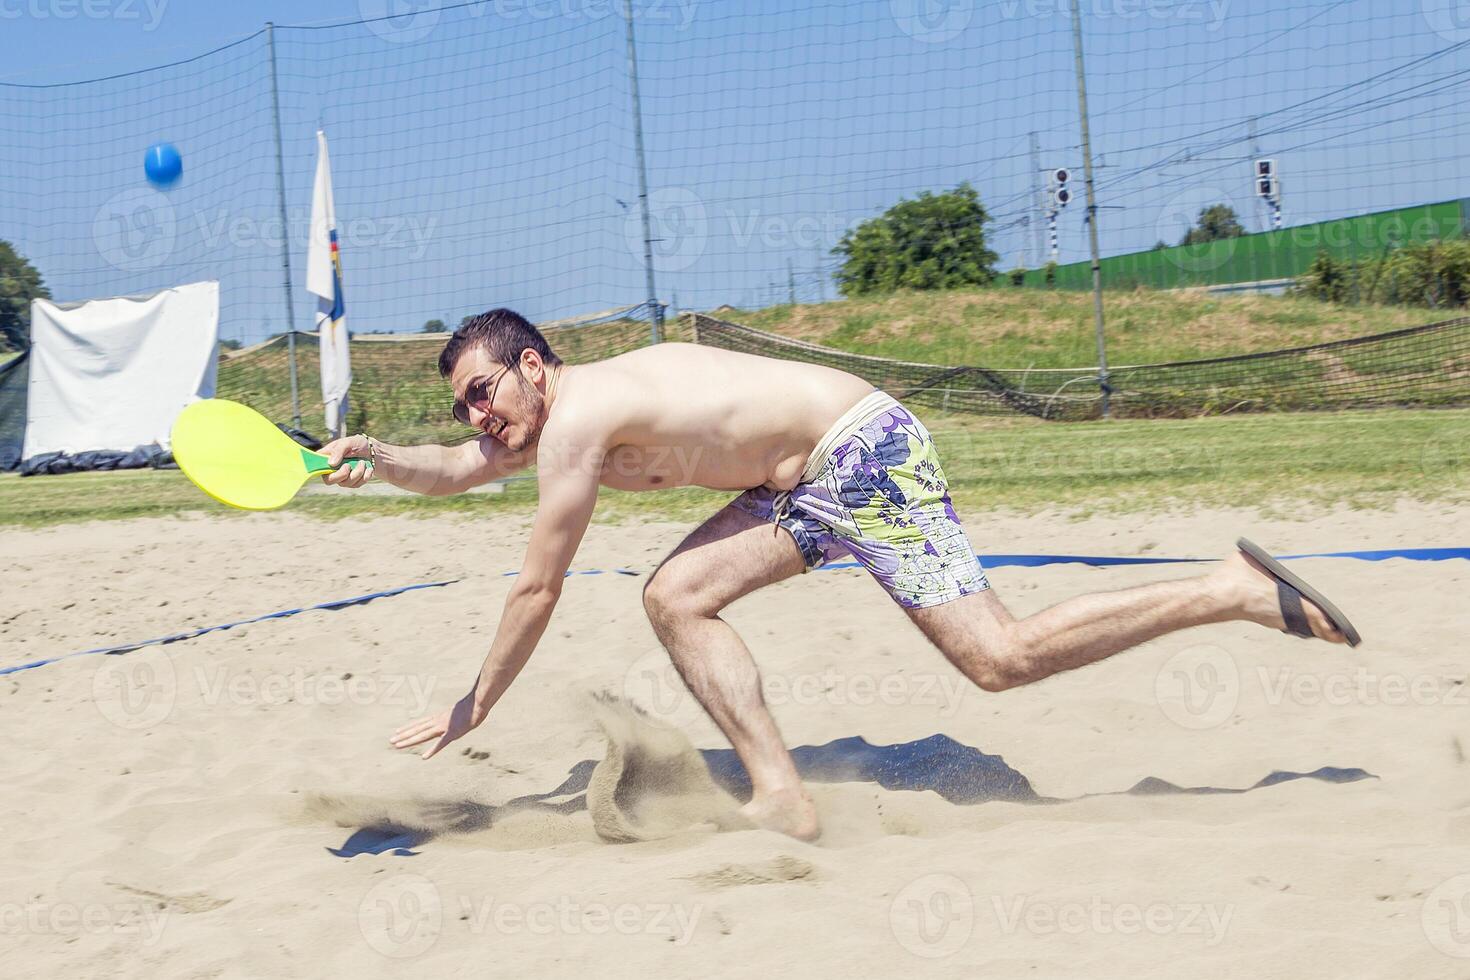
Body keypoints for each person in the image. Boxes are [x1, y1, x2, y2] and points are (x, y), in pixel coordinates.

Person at [322, 308, 1360, 840]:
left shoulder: (580, 419)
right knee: (675, 593)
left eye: (480, 391)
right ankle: (783, 792)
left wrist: (474, 701)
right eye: (462, 401)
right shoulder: (552, 416)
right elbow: (463, 469)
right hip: (806, 483)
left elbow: (536, 588)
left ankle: (1228, 586)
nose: (473, 415)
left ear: (533, 366)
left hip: (861, 453)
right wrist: (379, 460)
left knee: (997, 658)